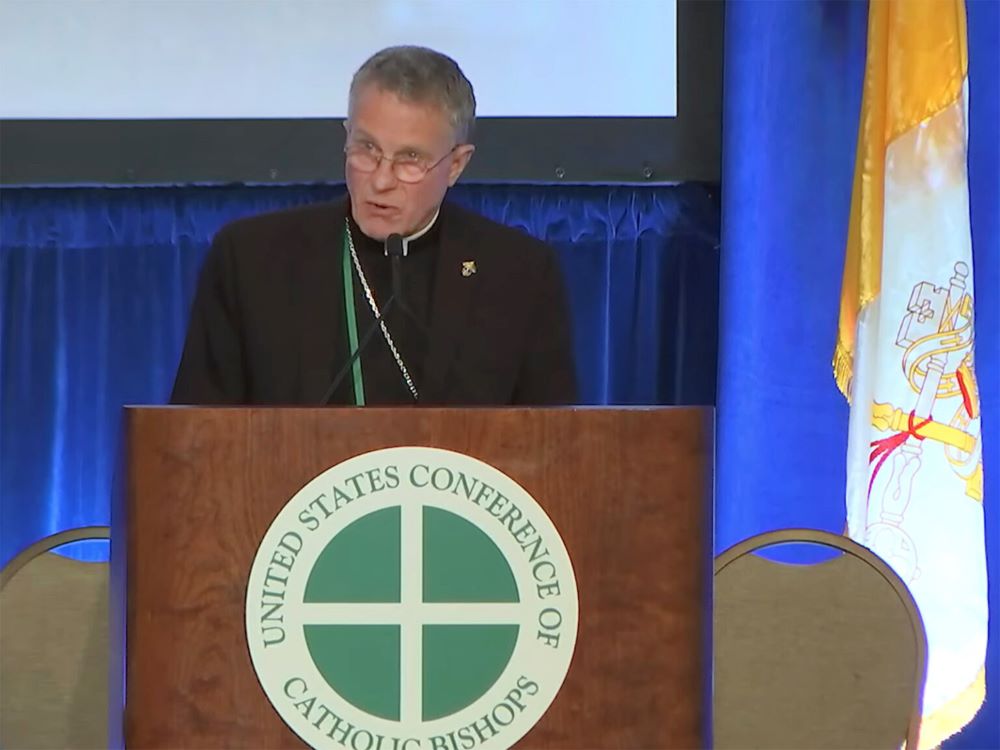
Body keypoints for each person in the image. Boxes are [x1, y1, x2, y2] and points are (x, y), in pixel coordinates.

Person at [170, 46, 577, 406]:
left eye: (410, 159)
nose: (381, 180)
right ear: (346, 137)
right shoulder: (253, 260)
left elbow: (551, 448)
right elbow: (197, 437)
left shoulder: (518, 275)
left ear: (456, 165)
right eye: (366, 149)